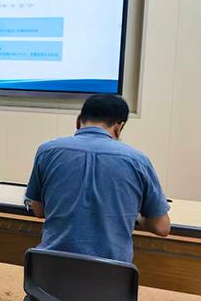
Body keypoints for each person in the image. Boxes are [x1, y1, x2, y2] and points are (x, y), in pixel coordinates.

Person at [25, 94, 170, 263]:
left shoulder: (47, 151)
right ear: (119, 127)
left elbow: (39, 210)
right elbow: (161, 227)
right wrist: (136, 217)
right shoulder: (138, 161)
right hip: (112, 274)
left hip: (49, 269)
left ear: (78, 121)